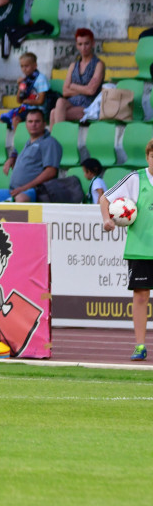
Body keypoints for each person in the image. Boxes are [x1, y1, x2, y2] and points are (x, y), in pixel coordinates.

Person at [99, 138, 153, 361]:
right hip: (140, 248)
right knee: (140, 297)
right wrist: (107, 220)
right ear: (148, 156)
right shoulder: (136, 178)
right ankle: (140, 345)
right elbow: (105, 198)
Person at [0, 108, 62, 201]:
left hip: (34, 191)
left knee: (20, 199)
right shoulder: (28, 143)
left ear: (44, 124)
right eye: (30, 121)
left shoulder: (49, 142)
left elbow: (51, 172)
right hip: (14, 190)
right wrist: (12, 158)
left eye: (37, 121)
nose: (33, 125)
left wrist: (24, 188)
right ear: (26, 124)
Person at [50, 28, 106, 125]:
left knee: (54, 113)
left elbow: (91, 91)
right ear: (77, 45)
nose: (83, 48)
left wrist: (73, 86)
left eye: (86, 43)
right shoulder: (73, 65)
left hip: (88, 105)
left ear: (92, 43)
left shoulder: (98, 64)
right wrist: (84, 89)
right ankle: (57, 138)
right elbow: (65, 91)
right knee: (60, 101)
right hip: (72, 102)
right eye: (80, 44)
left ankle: (56, 139)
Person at [0, 52, 51, 128]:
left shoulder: (41, 79)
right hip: (25, 108)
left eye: (26, 66)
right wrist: (20, 86)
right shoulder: (25, 79)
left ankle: (17, 139)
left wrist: (29, 101)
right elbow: (19, 100)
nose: (24, 69)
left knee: (16, 120)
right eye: (22, 66)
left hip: (37, 109)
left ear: (35, 66)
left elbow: (41, 101)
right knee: (1, 120)